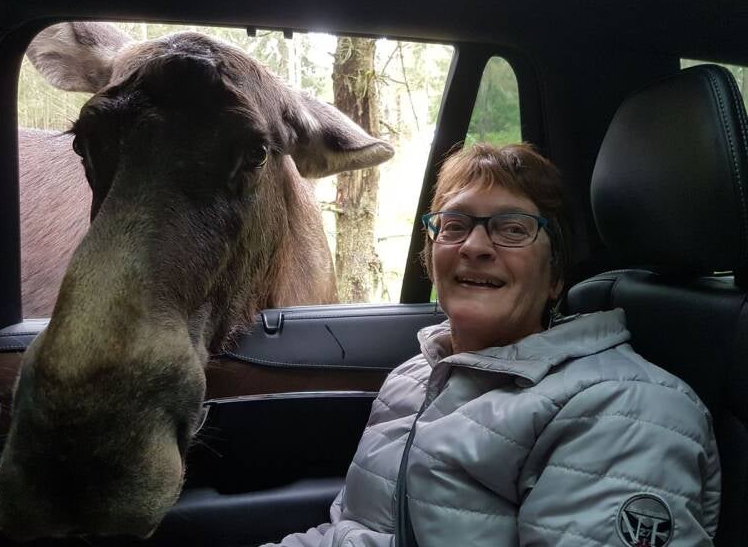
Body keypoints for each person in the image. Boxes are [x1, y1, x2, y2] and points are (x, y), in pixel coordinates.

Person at [262, 143, 720, 547]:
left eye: (513, 229)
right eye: (454, 225)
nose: (475, 246)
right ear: (431, 257)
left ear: (555, 275)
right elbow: (351, 531)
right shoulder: (414, 376)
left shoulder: (626, 412)